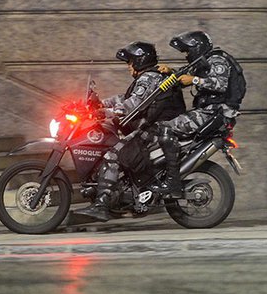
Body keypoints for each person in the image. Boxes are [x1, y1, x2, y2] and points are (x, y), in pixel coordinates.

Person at [71, 42, 185, 221]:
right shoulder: (147, 78)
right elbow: (126, 98)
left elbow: (132, 106)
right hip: (152, 126)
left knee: (113, 155)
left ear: (140, 61)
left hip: (156, 129)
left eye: (130, 62)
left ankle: (102, 205)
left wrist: (102, 113)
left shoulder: (149, 78)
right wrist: (100, 104)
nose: (129, 66)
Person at [155, 30, 244, 197]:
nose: (187, 55)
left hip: (214, 113)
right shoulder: (203, 61)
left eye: (188, 51)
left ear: (197, 47)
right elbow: (184, 77)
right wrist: (170, 72)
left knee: (165, 129)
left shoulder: (217, 59)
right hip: (208, 112)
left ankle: (172, 181)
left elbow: (220, 84)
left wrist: (194, 80)